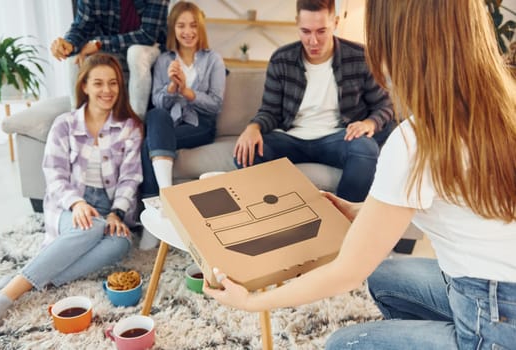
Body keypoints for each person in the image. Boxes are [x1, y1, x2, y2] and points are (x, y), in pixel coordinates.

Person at [205, 0, 516, 348]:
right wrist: (358, 212)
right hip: (488, 286)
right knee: (383, 277)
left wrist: (250, 301)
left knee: (345, 343)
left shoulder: (416, 141)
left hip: (496, 317)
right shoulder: (504, 103)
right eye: (306, 31)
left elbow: (346, 273)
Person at [0, 53, 143, 331]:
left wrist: (117, 213)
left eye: (113, 83)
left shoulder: (130, 127)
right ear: (84, 85)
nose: (106, 91)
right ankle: (4, 296)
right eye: (98, 83)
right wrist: (76, 204)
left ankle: (16, 280)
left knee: (121, 243)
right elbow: (54, 174)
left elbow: (130, 178)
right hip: (68, 203)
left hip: (110, 209)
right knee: (87, 228)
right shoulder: (65, 124)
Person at [233, 0, 393, 203]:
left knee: (366, 149)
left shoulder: (360, 57)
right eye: (306, 31)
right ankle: (272, 217)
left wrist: (369, 124)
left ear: (335, 23)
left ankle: (344, 221)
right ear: (296, 24)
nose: (313, 41)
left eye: (321, 31)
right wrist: (253, 128)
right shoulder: (281, 59)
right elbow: (270, 111)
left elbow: (384, 106)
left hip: (338, 138)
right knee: (245, 151)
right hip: (291, 139)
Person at [138, 1, 226, 249]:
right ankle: (167, 199)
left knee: (150, 144)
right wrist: (171, 88)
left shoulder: (213, 60)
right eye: (181, 25)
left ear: (201, 28)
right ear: (173, 28)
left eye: (193, 25)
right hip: (170, 125)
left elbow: (216, 105)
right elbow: (157, 100)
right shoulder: (165, 60)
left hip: (200, 125)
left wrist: (187, 91)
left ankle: (156, 216)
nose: (187, 31)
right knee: (156, 116)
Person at [50, 0, 170, 117]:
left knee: (135, 53)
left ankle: (136, 122)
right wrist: (69, 44)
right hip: (113, 49)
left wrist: (100, 44)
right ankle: (77, 119)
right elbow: (81, 27)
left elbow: (148, 35)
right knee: (74, 57)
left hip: (149, 48)